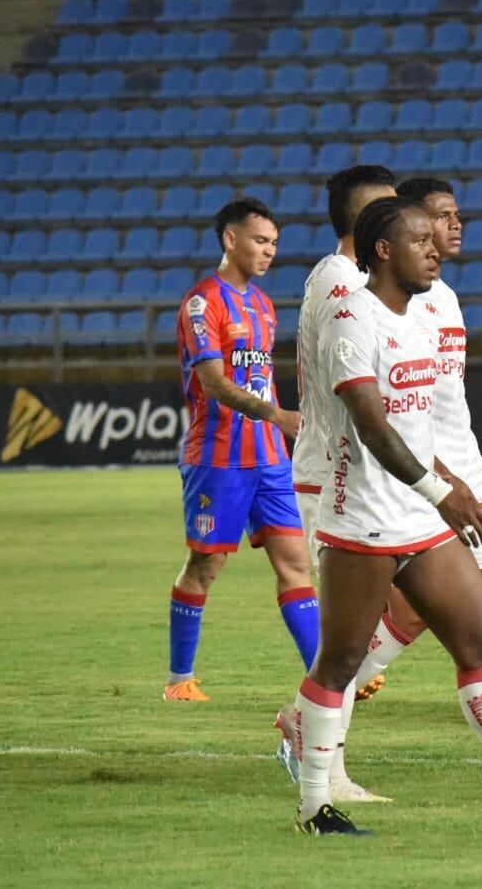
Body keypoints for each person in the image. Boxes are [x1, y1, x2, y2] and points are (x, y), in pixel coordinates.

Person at [280, 195, 482, 836]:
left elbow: (412, 423)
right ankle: (315, 805)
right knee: (339, 662)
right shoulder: (351, 317)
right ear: (383, 250)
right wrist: (439, 489)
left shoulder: (420, 317)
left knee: (478, 639)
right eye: (420, 240)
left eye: (435, 240)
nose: (435, 250)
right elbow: (371, 424)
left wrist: (448, 482)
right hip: (362, 519)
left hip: (421, 517)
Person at [165, 197, 312, 702]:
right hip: (218, 458)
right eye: (260, 241)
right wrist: (277, 415)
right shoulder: (202, 303)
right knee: (205, 566)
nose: (269, 251)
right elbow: (214, 383)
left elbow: (260, 376)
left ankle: (327, 679)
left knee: (295, 562)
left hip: (270, 459)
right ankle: (179, 680)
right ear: (231, 240)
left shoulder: (264, 306)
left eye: (274, 243)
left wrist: (277, 425)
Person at [278, 165, 394, 800]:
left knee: (406, 610)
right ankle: (326, 762)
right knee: (346, 633)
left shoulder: (353, 278)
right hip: (332, 478)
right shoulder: (340, 282)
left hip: (357, 476)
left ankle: (307, 720)